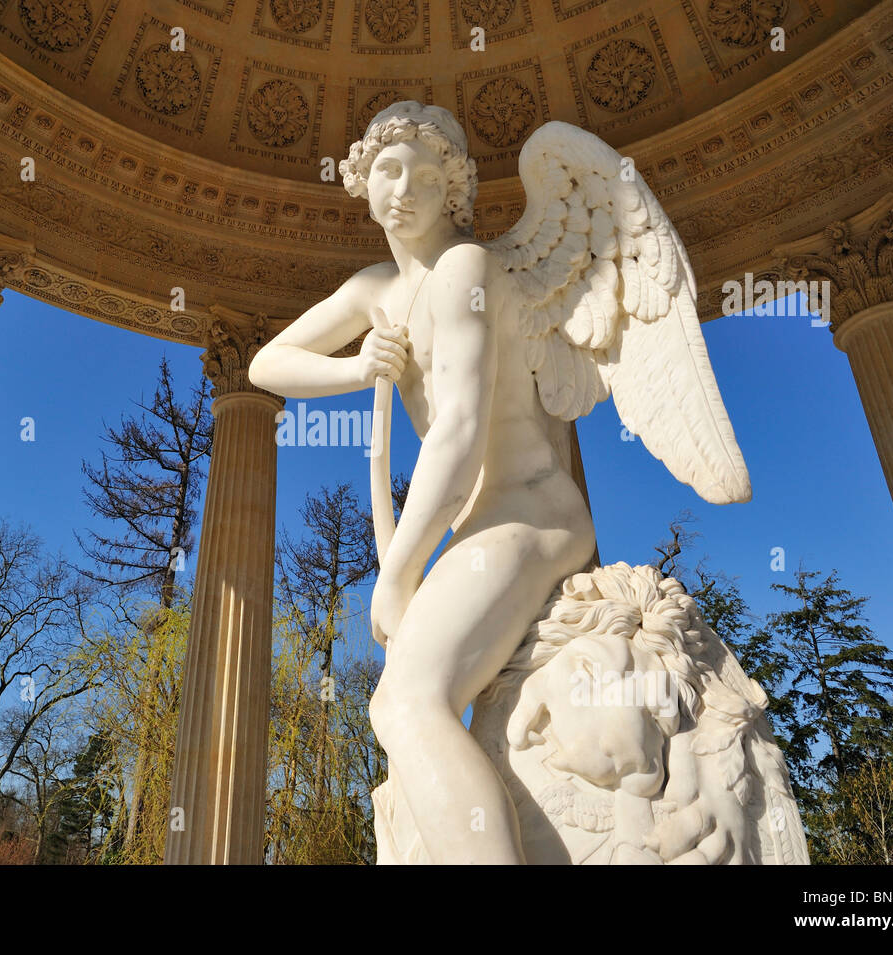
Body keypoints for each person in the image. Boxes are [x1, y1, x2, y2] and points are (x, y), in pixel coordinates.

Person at [247, 102, 596, 863]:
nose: (403, 188)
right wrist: (357, 367)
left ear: (457, 191)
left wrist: (398, 571)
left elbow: (462, 432)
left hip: (530, 506)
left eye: (426, 175)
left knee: (406, 703)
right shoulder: (375, 287)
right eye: (387, 170)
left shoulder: (467, 269)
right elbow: (263, 364)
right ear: (361, 182)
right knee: (414, 704)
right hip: (476, 525)